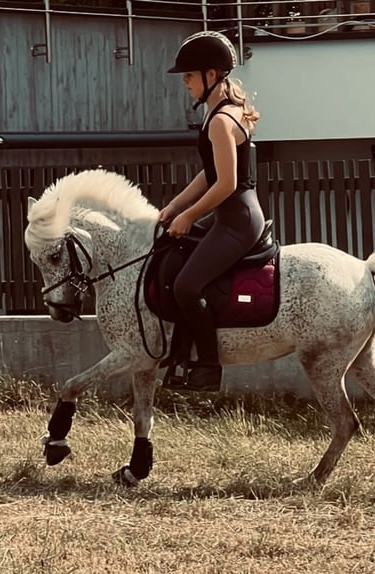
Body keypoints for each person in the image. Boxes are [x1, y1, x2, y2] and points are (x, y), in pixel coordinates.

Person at [159, 31, 266, 391]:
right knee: (173, 256)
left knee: (188, 286)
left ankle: (207, 368)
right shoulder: (217, 114)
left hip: (237, 220)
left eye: (188, 76)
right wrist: (176, 205)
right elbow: (210, 171)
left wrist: (188, 216)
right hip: (230, 215)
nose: (185, 83)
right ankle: (177, 355)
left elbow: (226, 184)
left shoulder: (221, 120)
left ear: (211, 75)